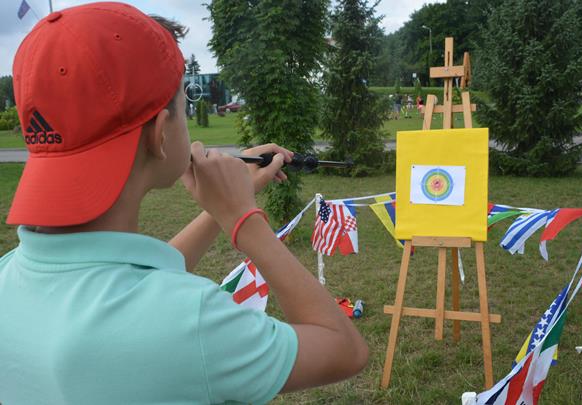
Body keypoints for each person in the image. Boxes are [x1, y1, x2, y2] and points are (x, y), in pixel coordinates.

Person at [0, 3, 368, 405]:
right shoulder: (192, 319)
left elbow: (127, 286)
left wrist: (220, 208)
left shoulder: (9, 274)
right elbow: (344, 349)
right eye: (183, 103)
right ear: (161, 133)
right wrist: (243, 218)